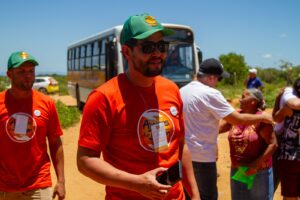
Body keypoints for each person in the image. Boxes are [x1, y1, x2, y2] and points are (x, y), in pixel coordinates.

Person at [77, 13, 200, 200]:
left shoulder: (171, 89)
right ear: (127, 52)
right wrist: (137, 184)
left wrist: (195, 195)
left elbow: (181, 146)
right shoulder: (103, 98)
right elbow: (85, 161)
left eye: (161, 46)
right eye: (148, 47)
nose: (157, 53)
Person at [180, 58, 273, 200]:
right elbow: (236, 119)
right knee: (207, 196)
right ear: (211, 77)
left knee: (188, 195)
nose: (217, 83)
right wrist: (263, 117)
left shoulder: (181, 91)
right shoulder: (210, 93)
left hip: (182, 157)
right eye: (219, 79)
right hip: (202, 157)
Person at [0, 51, 65, 200]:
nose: (28, 75)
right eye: (21, 71)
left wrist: (61, 181)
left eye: (31, 71)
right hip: (4, 186)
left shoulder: (46, 103)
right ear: (9, 74)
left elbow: (55, 143)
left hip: (38, 184)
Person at [219, 88, 277, 200]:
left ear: (253, 101)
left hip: (258, 171)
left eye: (243, 97)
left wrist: (255, 164)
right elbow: (217, 129)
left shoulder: (262, 119)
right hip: (237, 169)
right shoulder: (236, 116)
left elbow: (273, 144)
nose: (240, 100)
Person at [273, 77, 300, 200]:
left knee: (290, 195)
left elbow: (276, 118)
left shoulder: (289, 108)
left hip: (289, 156)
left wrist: (278, 100)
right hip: (290, 157)